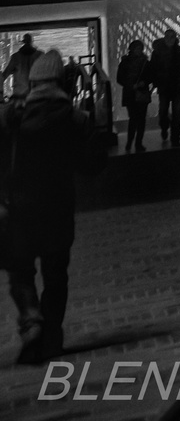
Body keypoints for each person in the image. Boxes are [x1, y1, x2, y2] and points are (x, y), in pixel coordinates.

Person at [2, 50, 107, 363]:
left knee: (20, 272)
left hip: (19, 209)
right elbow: (91, 166)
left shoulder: (11, 117)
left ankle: (31, 321)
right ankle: (51, 337)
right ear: (63, 82)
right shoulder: (75, 119)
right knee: (55, 275)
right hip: (58, 209)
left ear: (32, 82)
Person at [150, 28, 180, 147]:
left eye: (171, 36)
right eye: (168, 36)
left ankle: (172, 134)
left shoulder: (158, 52)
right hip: (172, 86)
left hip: (170, 86)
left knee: (170, 111)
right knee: (171, 112)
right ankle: (174, 135)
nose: (169, 39)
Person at [115, 39, 153, 152]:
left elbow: (119, 79)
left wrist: (130, 85)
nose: (139, 51)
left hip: (129, 93)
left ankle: (130, 143)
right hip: (142, 93)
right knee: (140, 119)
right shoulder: (145, 62)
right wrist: (144, 83)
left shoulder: (125, 62)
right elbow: (150, 76)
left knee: (134, 119)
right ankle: (138, 143)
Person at [4, 34, 41, 100]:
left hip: (19, 96)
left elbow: (5, 74)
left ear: (23, 42)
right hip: (36, 96)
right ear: (31, 42)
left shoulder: (16, 57)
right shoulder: (39, 55)